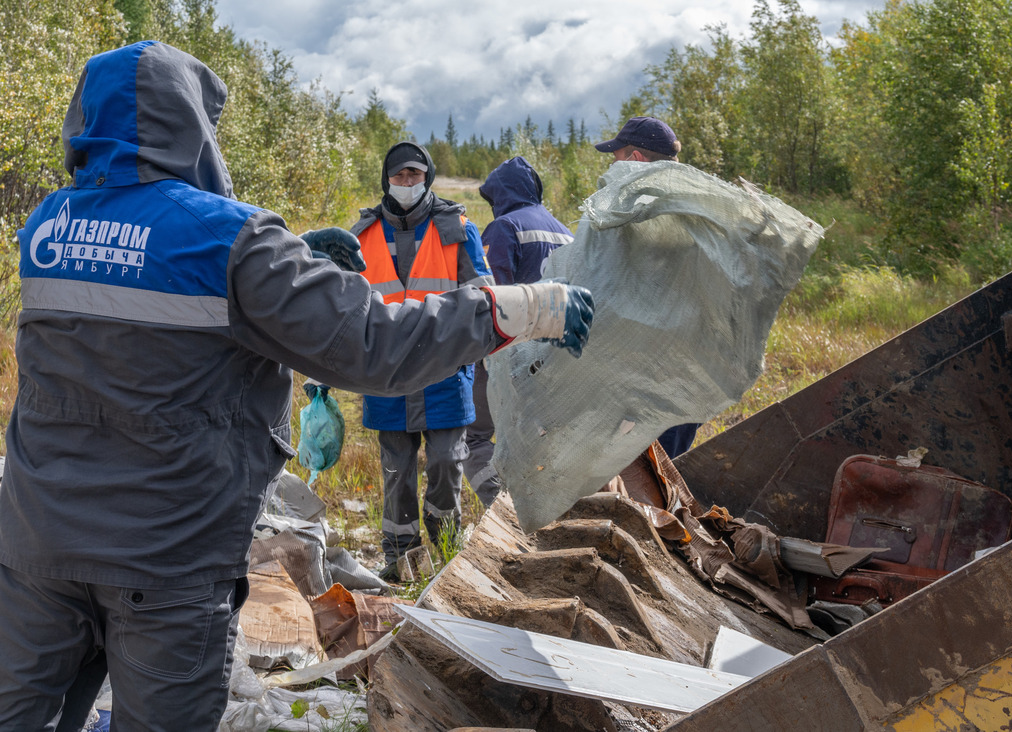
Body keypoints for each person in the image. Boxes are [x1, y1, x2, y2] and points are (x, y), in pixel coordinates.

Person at [0, 41, 593, 732]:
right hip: (165, 564)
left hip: (38, 545)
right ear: (193, 125)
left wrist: (287, 266)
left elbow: (136, 308)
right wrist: (514, 308)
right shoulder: (234, 241)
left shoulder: (49, 225)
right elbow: (373, 346)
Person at [350, 141, 493, 581]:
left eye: (415, 173)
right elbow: (344, 304)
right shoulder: (361, 235)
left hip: (444, 371)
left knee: (447, 461)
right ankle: (400, 558)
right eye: (400, 175)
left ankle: (446, 543)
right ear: (387, 179)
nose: (408, 182)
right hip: (386, 373)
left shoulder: (457, 228)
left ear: (427, 175)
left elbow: (485, 296)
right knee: (396, 470)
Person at [466, 156, 575, 506]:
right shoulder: (565, 231)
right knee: (540, 438)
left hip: (510, 355)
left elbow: (493, 292)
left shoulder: (504, 228)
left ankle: (504, 508)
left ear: (500, 195)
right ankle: (548, 508)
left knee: (474, 439)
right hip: (558, 358)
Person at [594, 116, 700, 458]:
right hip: (693, 373)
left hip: (653, 377)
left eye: (617, 156)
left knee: (647, 479)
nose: (613, 164)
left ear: (635, 160)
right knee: (670, 473)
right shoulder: (697, 205)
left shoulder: (642, 212)